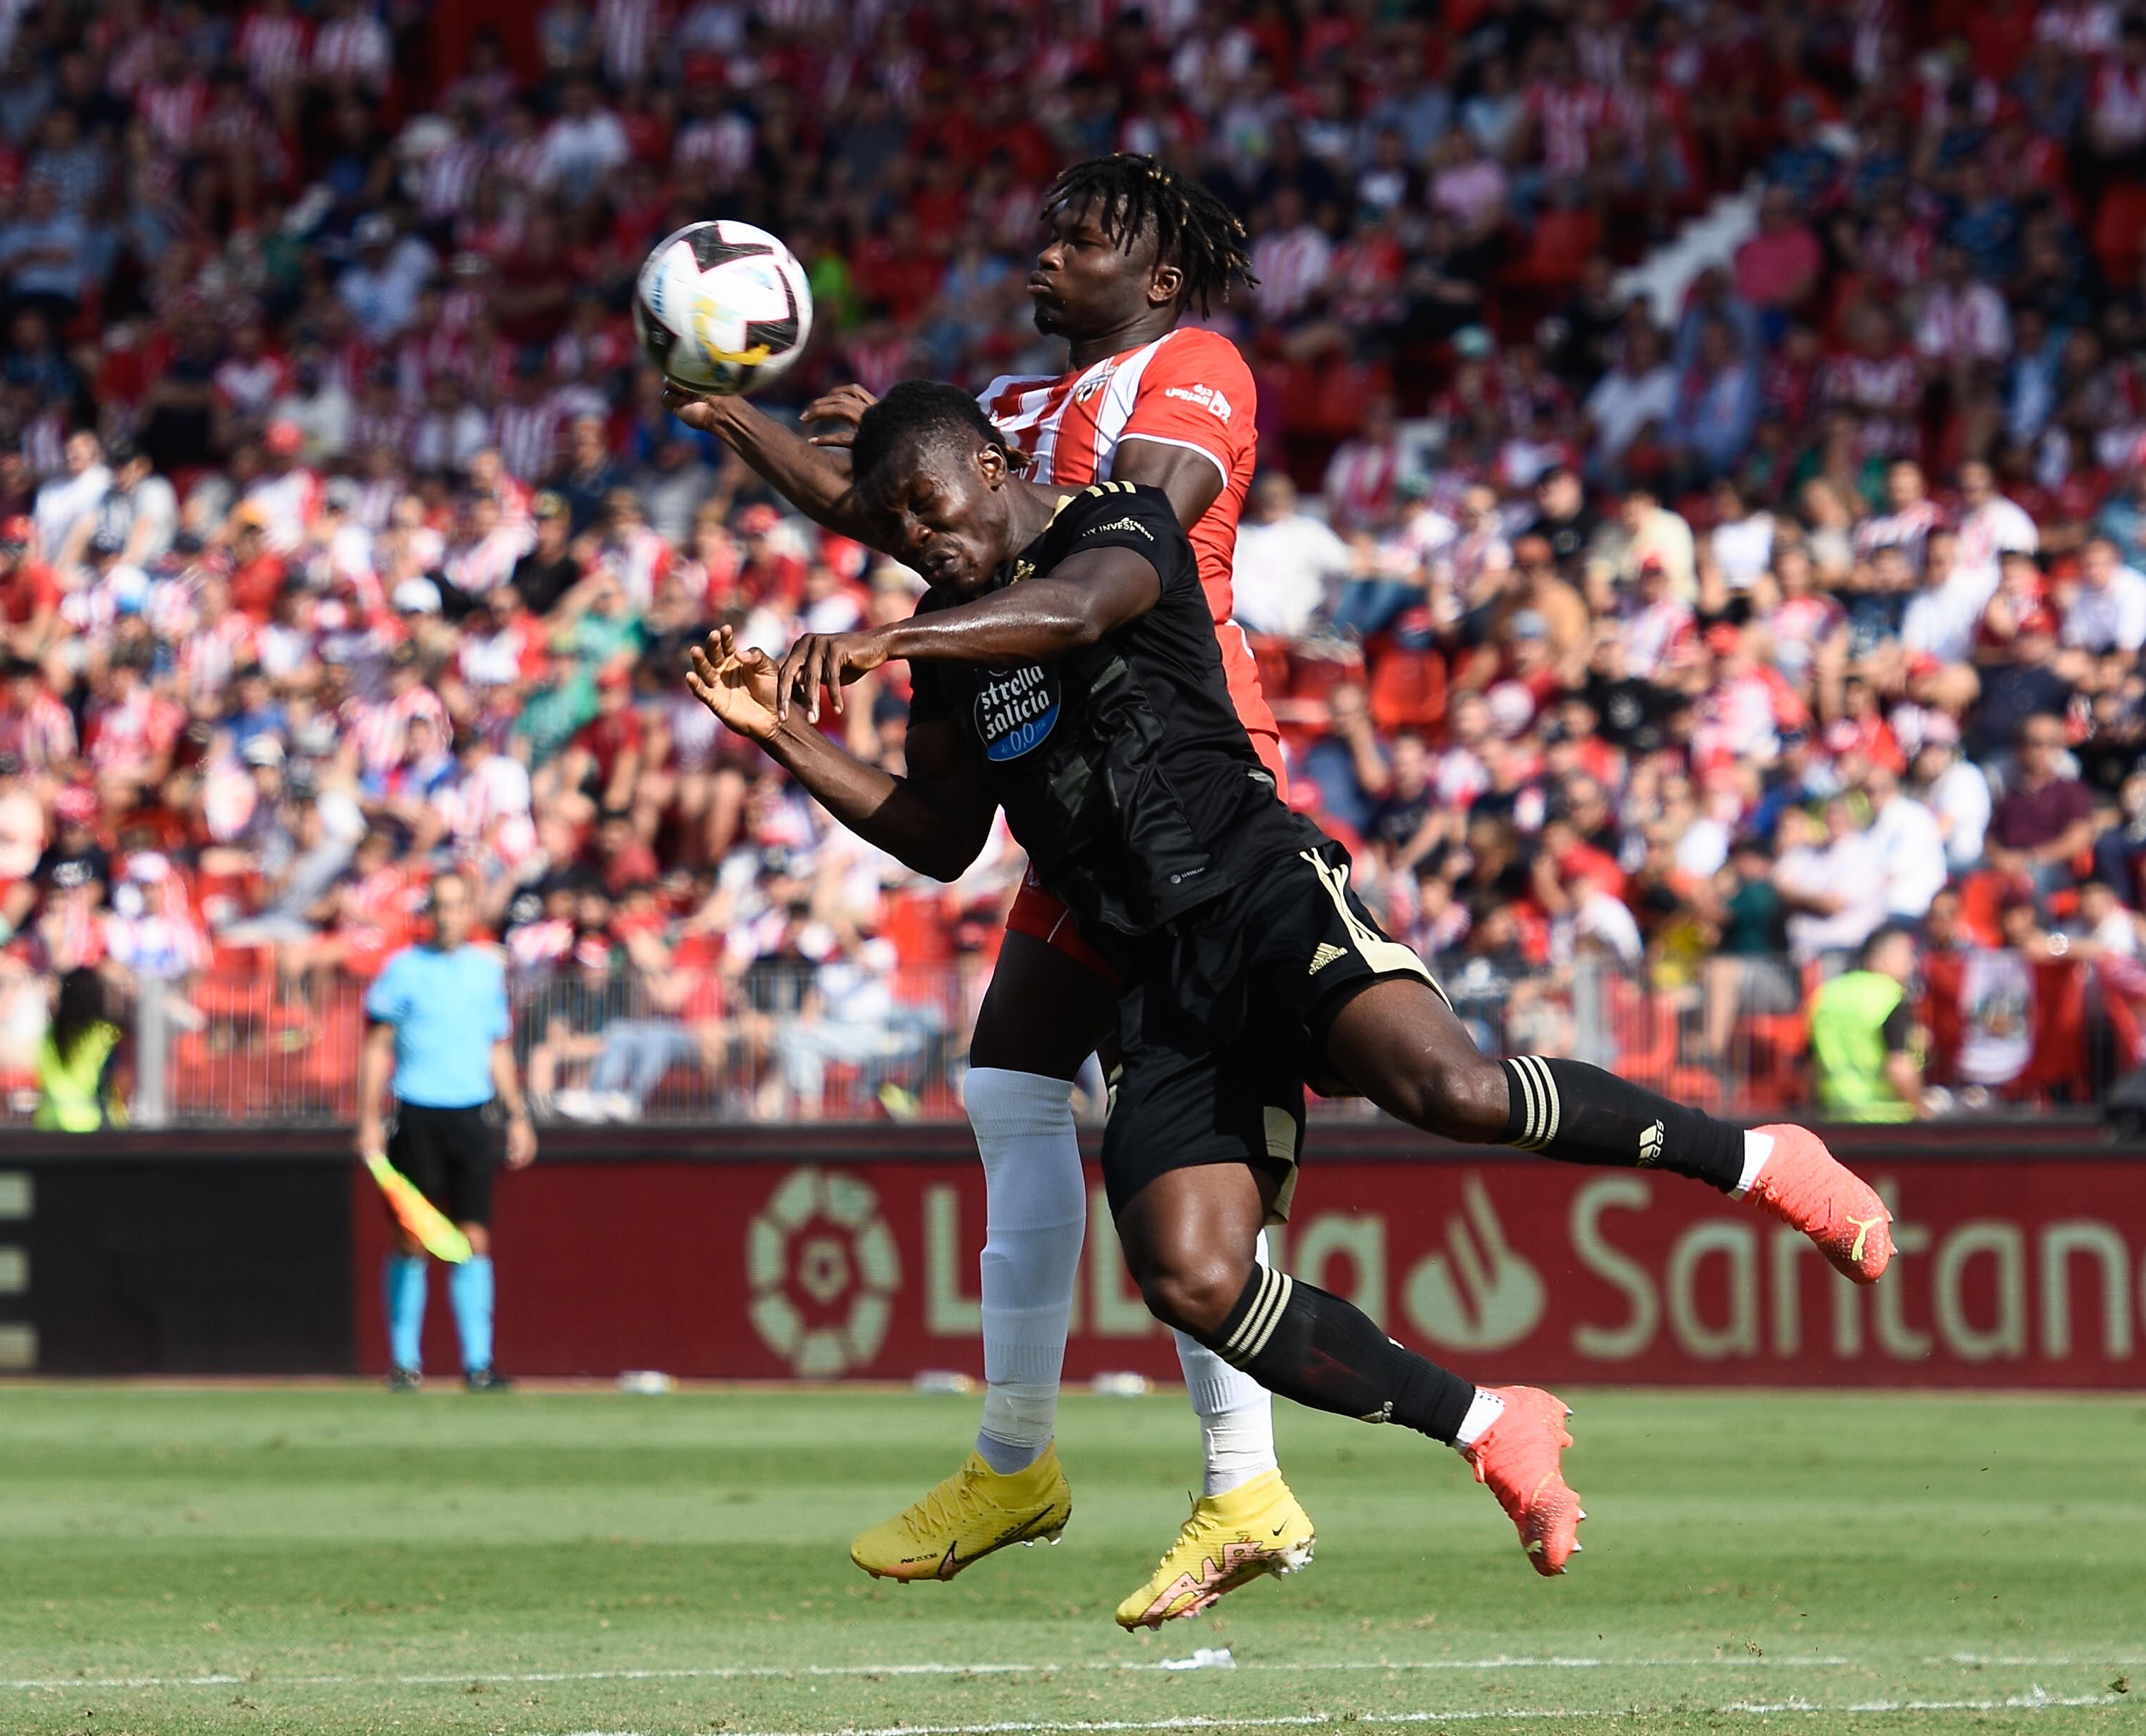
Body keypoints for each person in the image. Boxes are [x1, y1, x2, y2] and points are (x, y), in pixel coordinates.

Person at [686, 383, 1902, 1608]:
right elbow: (942, 837)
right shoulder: (949, 649)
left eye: (930, 506)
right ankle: (1489, 1421)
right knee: (1194, 1277)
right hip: (1153, 972)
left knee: (1453, 1088)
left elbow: (1075, 612)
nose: (918, 537)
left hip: (1262, 892)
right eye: (894, 522)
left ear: (996, 467)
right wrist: (781, 735)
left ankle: (1761, 1158)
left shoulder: (1115, 519)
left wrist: (893, 637)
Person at [673, 153, 1305, 1622]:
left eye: (1073, 238)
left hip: (1181, 779)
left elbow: (1112, 542)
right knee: (1009, 1082)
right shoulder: (1023, 412)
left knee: (1176, 1135)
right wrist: (737, 416)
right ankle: (1024, 1463)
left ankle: (1235, 1481)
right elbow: (904, 511)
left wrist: (930, 498)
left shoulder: (1188, 365)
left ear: (1149, 275)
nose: (1038, 255)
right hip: (1069, 796)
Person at [357, 871, 537, 1393]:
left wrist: (518, 1113)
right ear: (429, 913)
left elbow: (497, 1046)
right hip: (416, 1111)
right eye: (441, 906)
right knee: (411, 1236)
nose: (449, 915)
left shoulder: (485, 972)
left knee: (473, 1238)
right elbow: (376, 1046)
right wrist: (369, 1117)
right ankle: (404, 1362)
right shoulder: (403, 970)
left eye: (459, 905)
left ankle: (478, 1363)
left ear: (470, 912)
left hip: (470, 1113)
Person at [1808, 927, 1925, 1123]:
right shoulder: (1890, 997)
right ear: (1881, 959)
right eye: (1907, 956)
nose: (1913, 964)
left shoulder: (1825, 995)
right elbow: (1899, 1067)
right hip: (1887, 1120)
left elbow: (1810, 1068)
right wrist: (1921, 1110)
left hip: (1834, 1117)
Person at [35, 967, 126, 1131]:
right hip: (93, 1126)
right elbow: (118, 1079)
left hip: (51, 1125)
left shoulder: (49, 1034)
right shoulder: (106, 1034)